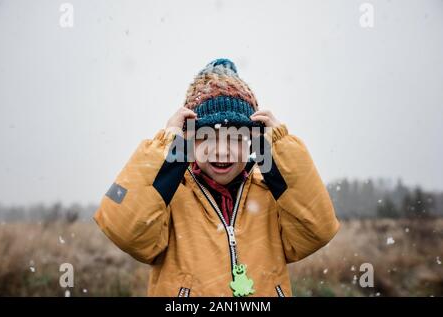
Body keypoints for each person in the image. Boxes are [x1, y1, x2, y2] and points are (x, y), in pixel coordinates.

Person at [93, 58, 340, 297]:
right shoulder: (169, 196)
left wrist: (280, 146)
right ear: (188, 139)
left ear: (254, 141)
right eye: (207, 136)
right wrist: (166, 144)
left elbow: (318, 230)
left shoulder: (271, 195)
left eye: (235, 137)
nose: (221, 151)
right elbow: (123, 229)